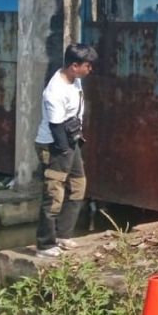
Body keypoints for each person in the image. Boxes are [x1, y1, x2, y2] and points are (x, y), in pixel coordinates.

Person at [34, 43, 98, 258]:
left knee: (78, 185)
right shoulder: (55, 91)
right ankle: (45, 245)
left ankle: (63, 234)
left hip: (71, 141)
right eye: (87, 66)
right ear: (74, 66)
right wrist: (63, 152)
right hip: (55, 144)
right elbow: (56, 126)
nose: (90, 69)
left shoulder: (74, 79)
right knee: (54, 193)